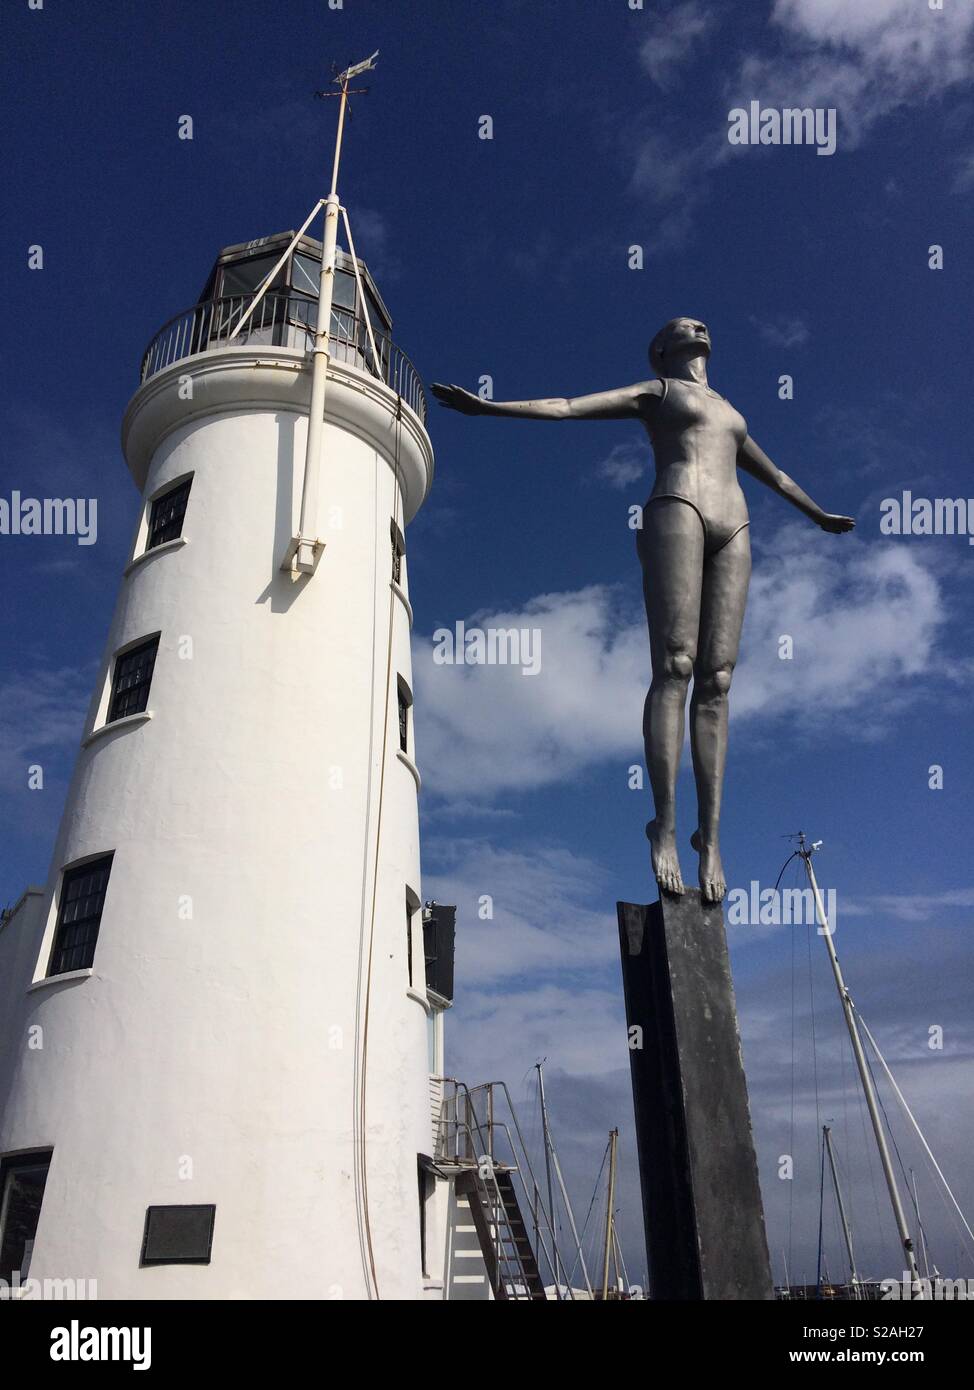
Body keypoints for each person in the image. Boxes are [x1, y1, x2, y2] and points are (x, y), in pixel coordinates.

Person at [432, 317, 854, 902]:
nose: (699, 326)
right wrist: (490, 407)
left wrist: (819, 514)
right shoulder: (657, 393)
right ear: (662, 349)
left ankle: (711, 839)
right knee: (676, 665)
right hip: (676, 506)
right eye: (684, 325)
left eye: (701, 323)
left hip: (735, 525)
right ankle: (667, 827)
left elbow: (775, 474)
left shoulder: (729, 410)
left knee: (719, 679)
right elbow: (568, 406)